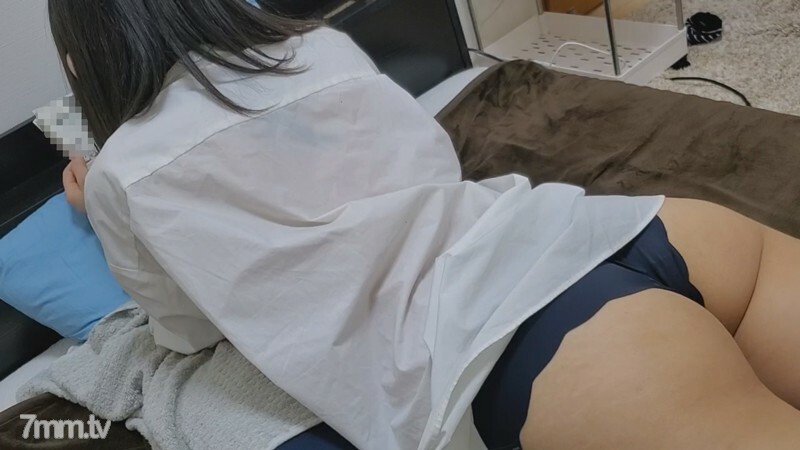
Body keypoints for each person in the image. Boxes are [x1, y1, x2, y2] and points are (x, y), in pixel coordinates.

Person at [52, 1, 800, 449]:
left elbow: (189, 332)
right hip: (624, 233)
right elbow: (434, 171)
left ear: (85, 59)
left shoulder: (124, 172)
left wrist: (102, 207)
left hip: (529, 344)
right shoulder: (318, 47)